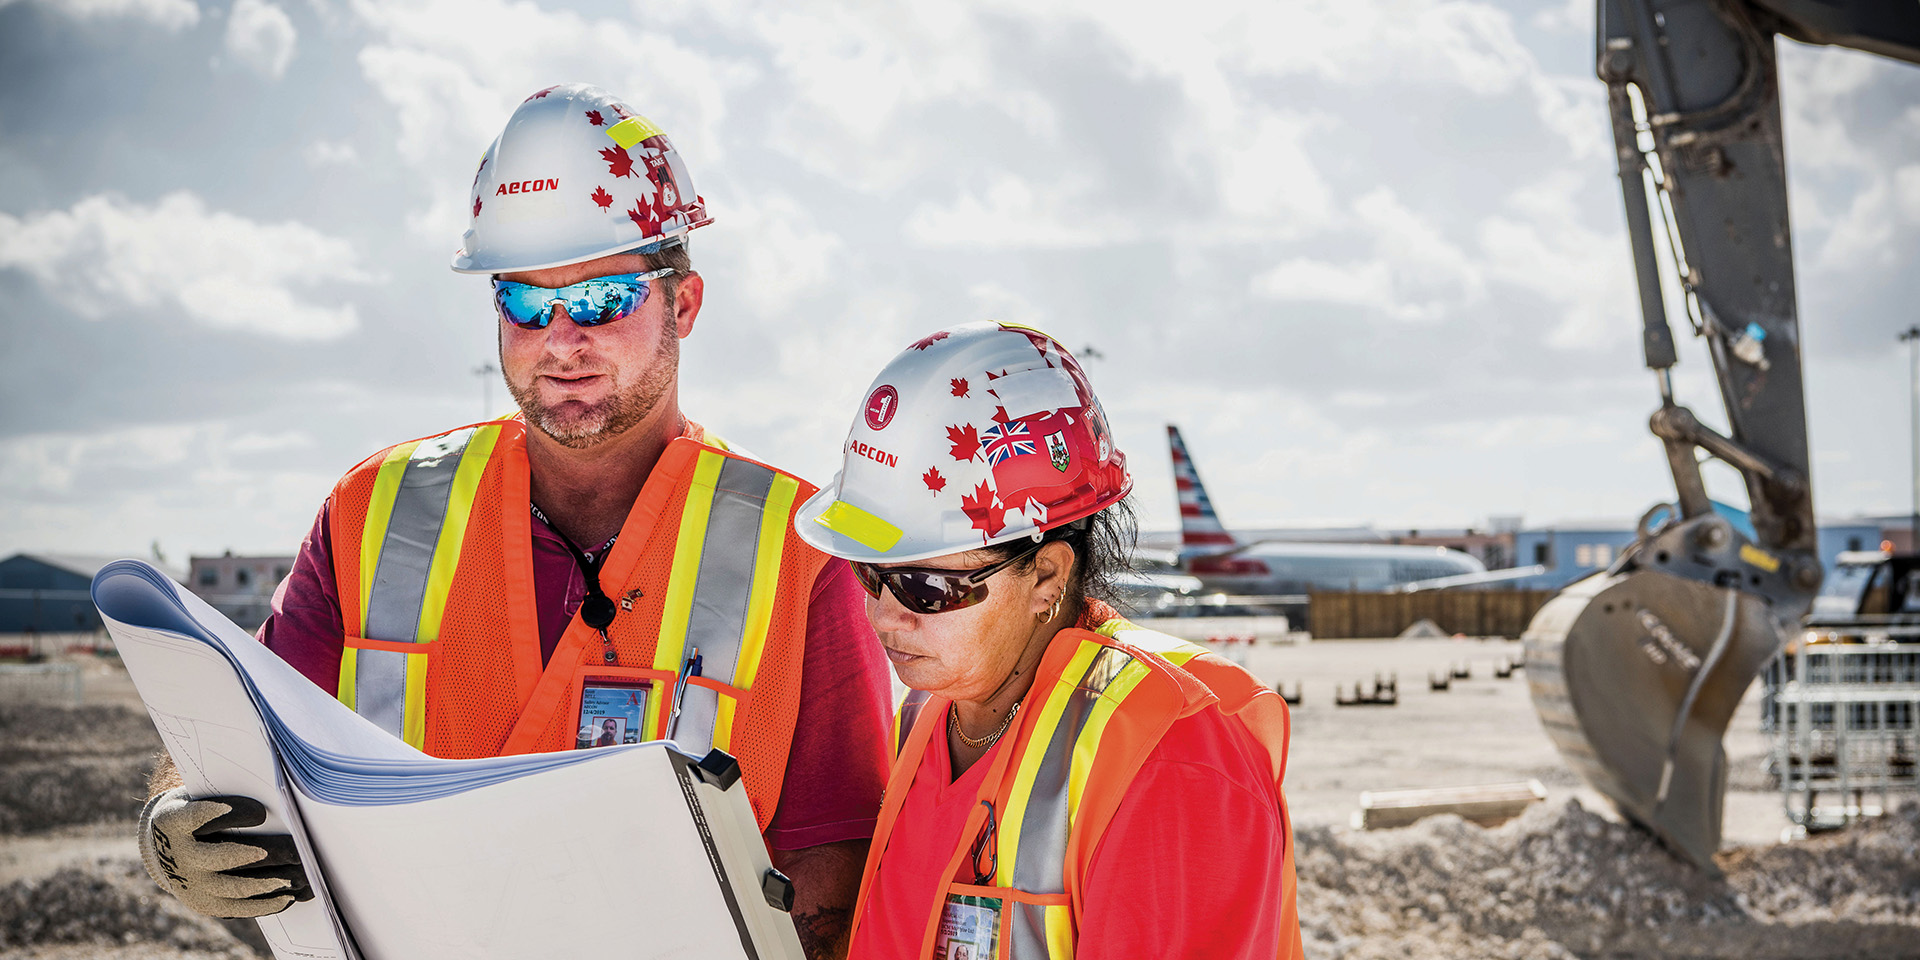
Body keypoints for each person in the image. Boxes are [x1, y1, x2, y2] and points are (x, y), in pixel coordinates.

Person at [136, 83, 892, 960]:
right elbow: (240, 735)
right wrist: (174, 814)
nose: (561, 341)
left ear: (683, 304)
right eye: (526, 304)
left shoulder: (797, 549)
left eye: (605, 298)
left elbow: (832, 883)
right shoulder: (373, 512)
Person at [793, 322, 1304, 959]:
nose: (885, 617)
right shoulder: (928, 720)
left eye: (927, 586)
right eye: (869, 573)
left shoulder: (1170, 758)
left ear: (1046, 577)